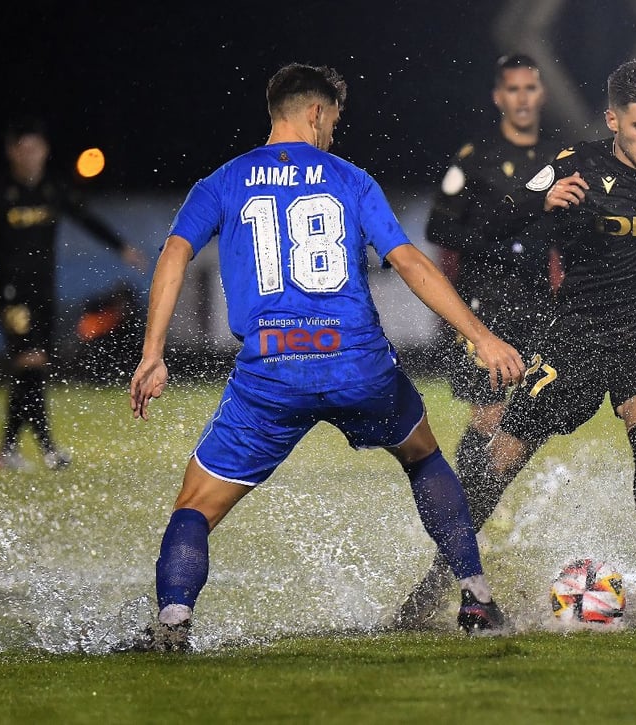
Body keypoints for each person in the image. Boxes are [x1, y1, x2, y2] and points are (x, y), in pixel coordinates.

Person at [127, 63, 526, 650]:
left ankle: (172, 626)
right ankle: (477, 600)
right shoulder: (351, 180)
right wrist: (480, 335)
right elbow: (411, 262)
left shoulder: (222, 182)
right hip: (357, 364)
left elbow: (173, 255)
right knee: (422, 456)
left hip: (271, 373)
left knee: (195, 506)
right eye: (334, 120)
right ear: (315, 112)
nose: (334, 134)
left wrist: (153, 352)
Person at [395, 60, 636, 629]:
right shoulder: (573, 164)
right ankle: (442, 579)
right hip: (574, 336)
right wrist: (541, 204)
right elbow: (495, 219)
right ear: (612, 120)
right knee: (500, 457)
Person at [0, 117, 146, 471]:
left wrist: (121, 247)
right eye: (24, 149)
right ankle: (48, 449)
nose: (31, 156)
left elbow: (85, 218)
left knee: (34, 370)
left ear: (45, 151)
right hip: (9, 292)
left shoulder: (52, 190)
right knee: (31, 361)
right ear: (11, 151)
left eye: (37, 149)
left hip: (44, 292)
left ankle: (8, 449)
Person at [424, 53, 563, 506]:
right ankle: (470, 511)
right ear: (499, 97)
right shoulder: (475, 157)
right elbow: (437, 228)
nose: (522, 98)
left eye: (530, 88)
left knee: (526, 412)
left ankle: (480, 500)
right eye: (513, 89)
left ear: (541, 94)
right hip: (484, 300)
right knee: (489, 411)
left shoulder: (557, 158)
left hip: (537, 299)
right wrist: (502, 246)